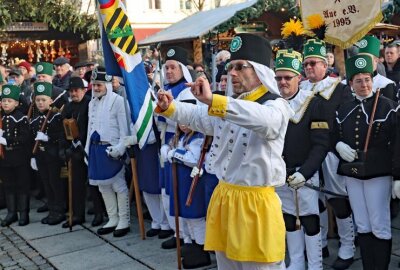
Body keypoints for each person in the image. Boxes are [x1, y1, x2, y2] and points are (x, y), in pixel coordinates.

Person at [156, 33, 293, 270]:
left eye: (241, 67)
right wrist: (171, 108)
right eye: (231, 67)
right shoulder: (229, 103)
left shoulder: (275, 105)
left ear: (260, 71)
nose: (233, 73)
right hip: (225, 197)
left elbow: (265, 121)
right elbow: (200, 118)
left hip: (255, 204)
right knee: (227, 264)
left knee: (260, 265)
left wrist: (215, 101)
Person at [334, 54, 400, 270]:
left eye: (367, 79)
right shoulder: (343, 109)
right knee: (362, 224)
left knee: (379, 224)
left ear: (373, 80)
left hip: (378, 173)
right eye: (358, 80)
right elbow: (332, 133)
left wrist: (398, 176)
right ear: (351, 84)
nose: (364, 84)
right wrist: (337, 145)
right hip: (353, 174)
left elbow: (398, 143)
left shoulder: (388, 106)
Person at [300, 38, 355, 269]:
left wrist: (341, 142)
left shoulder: (340, 89)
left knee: (338, 200)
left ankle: (347, 247)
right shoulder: (299, 89)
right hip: (306, 153)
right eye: (306, 64)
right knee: (315, 202)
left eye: (314, 63)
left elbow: (347, 120)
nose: (310, 67)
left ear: (325, 65)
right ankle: (319, 244)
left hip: (332, 151)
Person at [274, 49, 330, 270]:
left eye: (288, 77)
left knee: (309, 218)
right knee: (288, 218)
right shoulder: (272, 102)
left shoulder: (313, 103)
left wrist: (305, 172)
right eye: (278, 78)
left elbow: (321, 144)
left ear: (299, 77)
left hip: (305, 172)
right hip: (279, 173)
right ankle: (296, 262)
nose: (283, 82)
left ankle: (315, 265)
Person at [85, 67, 130, 237]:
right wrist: (88, 149)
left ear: (108, 85)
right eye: (94, 85)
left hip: (112, 148)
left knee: (118, 185)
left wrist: (120, 147)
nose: (96, 88)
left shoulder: (118, 101)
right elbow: (91, 127)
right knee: (103, 187)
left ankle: (124, 220)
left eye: (99, 85)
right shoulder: (92, 103)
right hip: (96, 148)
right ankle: (113, 218)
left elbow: (124, 128)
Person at [157, 46, 195, 249]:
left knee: (179, 191)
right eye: (166, 68)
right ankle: (176, 231)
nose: (169, 71)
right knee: (166, 191)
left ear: (182, 69)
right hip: (166, 143)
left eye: (173, 67)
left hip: (182, 144)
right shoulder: (163, 88)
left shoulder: (188, 91)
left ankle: (187, 236)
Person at [30, 81, 66, 225]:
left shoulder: (55, 116)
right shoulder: (36, 118)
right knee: (46, 183)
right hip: (41, 156)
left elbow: (61, 135)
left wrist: (48, 138)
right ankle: (52, 210)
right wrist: (33, 156)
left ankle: (59, 211)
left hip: (53, 155)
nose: (40, 103)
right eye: (37, 100)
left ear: (51, 100)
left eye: (43, 100)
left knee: (54, 183)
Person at [60, 77, 91, 228]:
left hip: (88, 148)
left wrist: (83, 144)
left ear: (83, 90)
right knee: (76, 184)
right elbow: (63, 128)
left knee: (94, 184)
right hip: (74, 150)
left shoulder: (90, 103)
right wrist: (65, 147)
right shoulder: (68, 107)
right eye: (71, 91)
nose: (73, 94)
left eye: (76, 90)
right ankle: (77, 215)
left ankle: (100, 213)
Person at [0, 84, 31, 227]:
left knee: (22, 185)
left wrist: (7, 139)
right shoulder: (1, 117)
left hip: (19, 156)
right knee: (8, 185)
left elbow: (26, 138)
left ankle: (23, 213)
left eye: (9, 100)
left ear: (17, 103)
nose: (6, 103)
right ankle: (11, 213)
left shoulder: (21, 118)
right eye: (4, 100)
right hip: (5, 157)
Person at [356, 36, 397, 101]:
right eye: (361, 58)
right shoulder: (350, 82)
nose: (363, 61)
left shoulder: (386, 84)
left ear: (376, 60)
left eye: (367, 58)